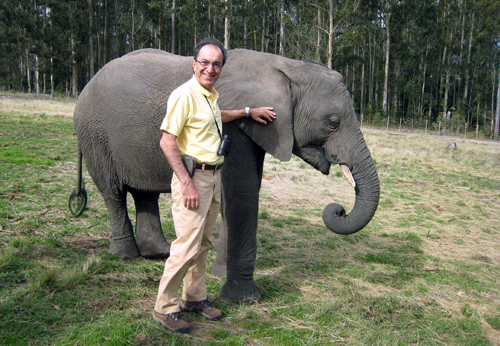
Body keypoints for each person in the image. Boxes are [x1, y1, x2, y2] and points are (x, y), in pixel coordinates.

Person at [152, 38, 276, 333]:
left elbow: (214, 118)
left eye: (216, 64)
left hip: (213, 177)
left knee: (202, 243)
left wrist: (247, 112)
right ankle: (164, 308)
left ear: (221, 67)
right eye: (204, 62)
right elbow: (166, 141)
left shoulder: (209, 96)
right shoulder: (185, 95)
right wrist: (187, 183)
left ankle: (193, 298)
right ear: (194, 64)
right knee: (185, 246)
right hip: (193, 179)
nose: (210, 68)